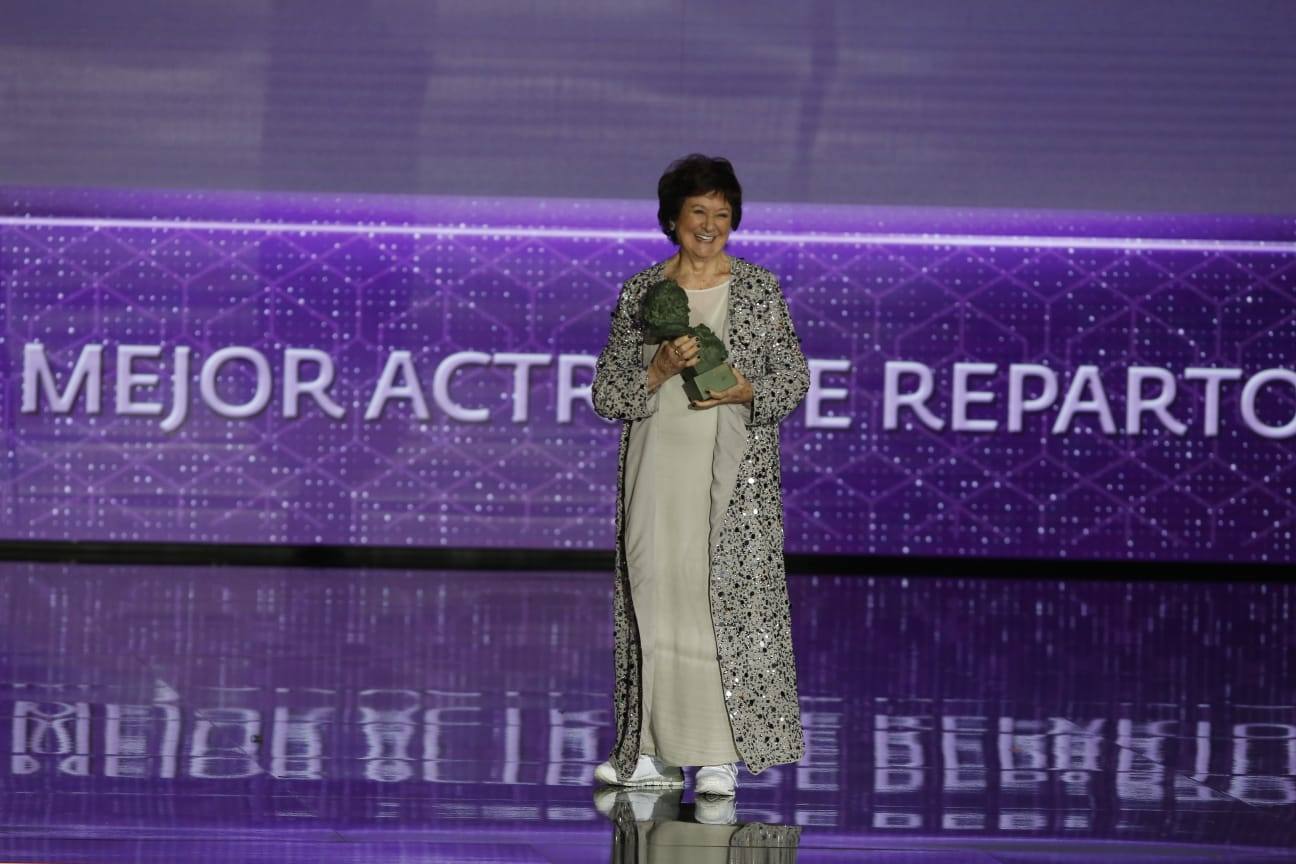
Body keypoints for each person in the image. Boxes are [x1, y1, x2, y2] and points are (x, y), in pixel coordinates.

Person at [591, 154, 809, 798]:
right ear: (672, 219)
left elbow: (793, 379)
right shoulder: (641, 291)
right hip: (656, 462)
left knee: (719, 599)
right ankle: (652, 751)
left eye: (722, 214)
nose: (710, 225)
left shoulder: (760, 290)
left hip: (731, 469)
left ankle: (718, 753)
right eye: (698, 213)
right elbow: (608, 393)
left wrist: (747, 388)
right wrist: (655, 372)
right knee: (655, 598)